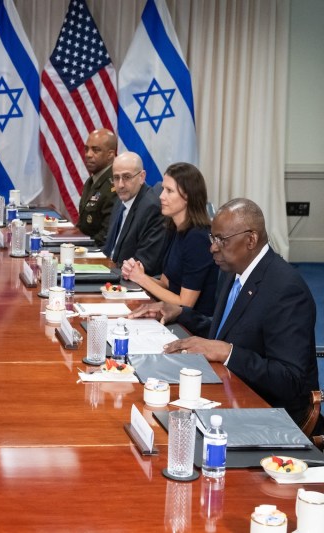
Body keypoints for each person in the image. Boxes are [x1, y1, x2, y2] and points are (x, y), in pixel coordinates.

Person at [129, 198, 318, 425]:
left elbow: (290, 380)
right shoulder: (233, 270)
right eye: (212, 237)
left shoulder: (286, 289)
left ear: (251, 240)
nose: (213, 247)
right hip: (229, 391)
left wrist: (228, 353)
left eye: (221, 240)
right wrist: (180, 313)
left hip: (269, 415)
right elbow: (231, 330)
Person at [121, 162, 219, 315]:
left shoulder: (198, 238)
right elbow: (166, 284)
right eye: (163, 189)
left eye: (169, 191)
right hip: (169, 316)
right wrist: (136, 273)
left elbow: (185, 304)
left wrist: (142, 279)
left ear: (188, 197)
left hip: (191, 328)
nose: (161, 196)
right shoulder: (174, 227)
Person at [102, 152, 165, 275]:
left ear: (142, 177)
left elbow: (144, 263)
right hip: (110, 271)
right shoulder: (121, 200)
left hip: (127, 282)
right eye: (116, 177)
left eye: (126, 177)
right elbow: (109, 248)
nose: (120, 185)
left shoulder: (152, 208)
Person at [76, 129, 117, 246]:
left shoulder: (114, 186)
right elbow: (83, 225)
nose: (88, 155)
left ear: (110, 154)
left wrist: (78, 247)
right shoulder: (91, 181)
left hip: (97, 252)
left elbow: (106, 235)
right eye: (86, 149)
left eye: (95, 150)